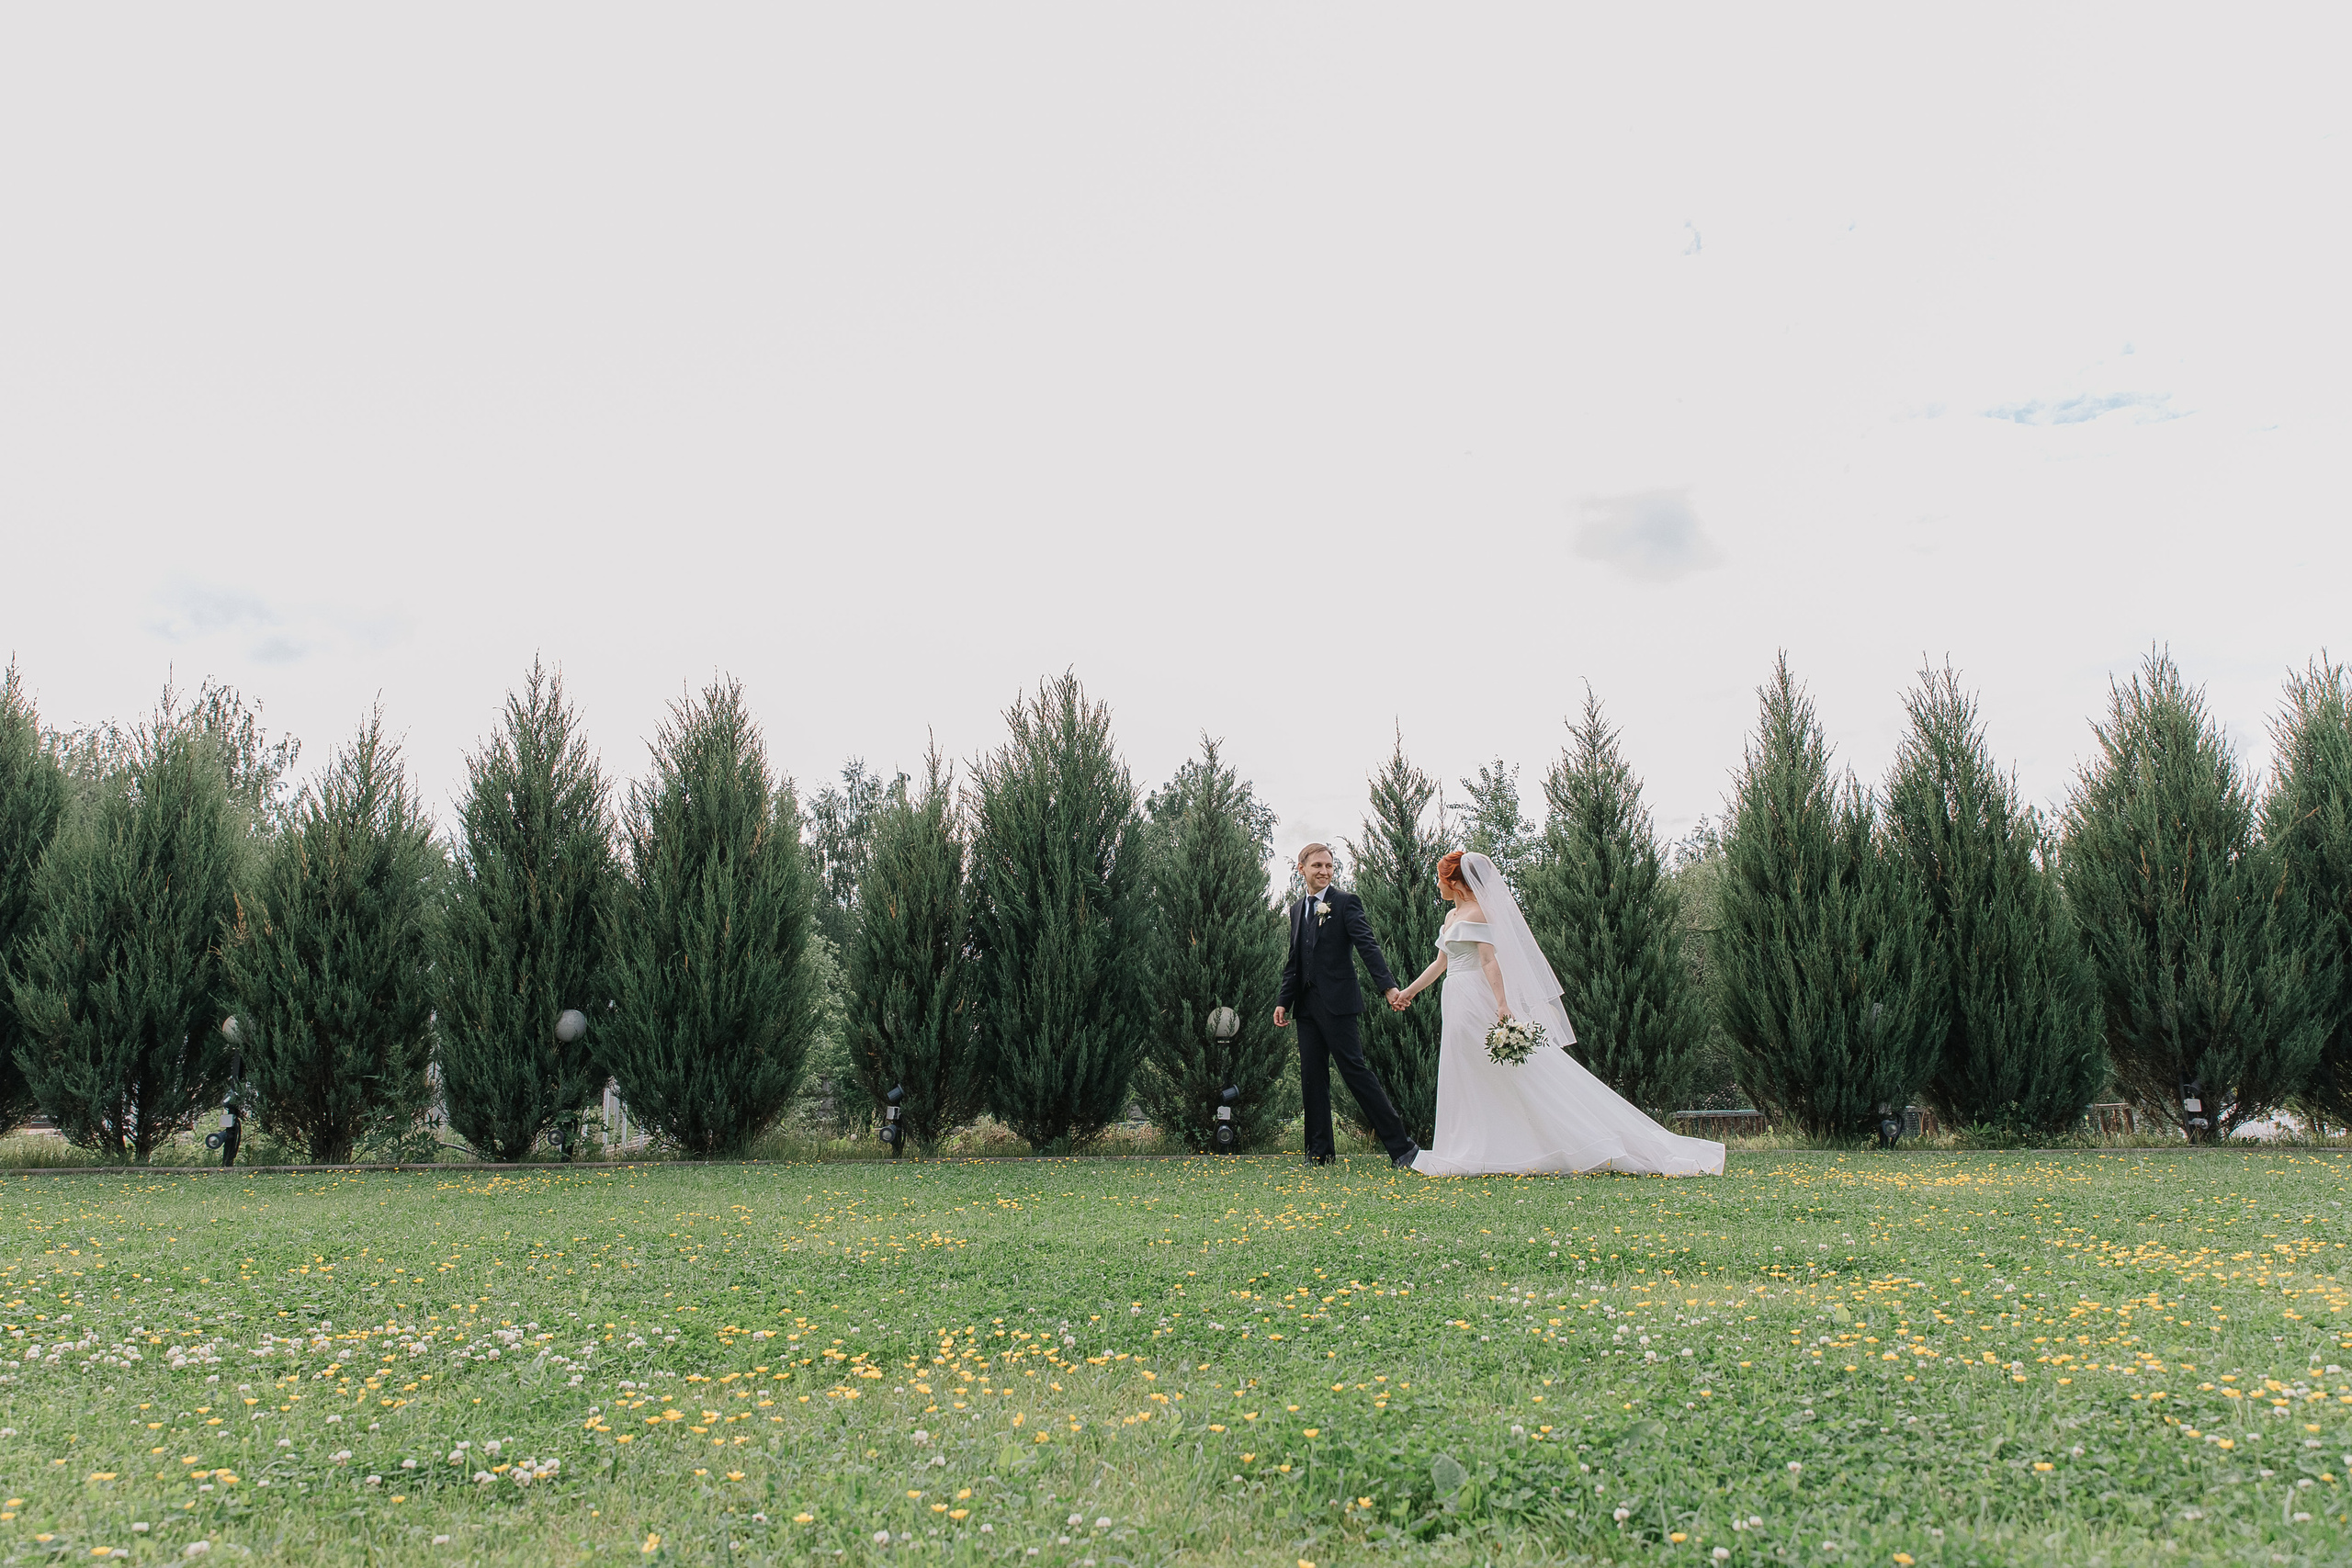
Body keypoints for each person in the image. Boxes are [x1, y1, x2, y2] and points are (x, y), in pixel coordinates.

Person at [1392, 849, 1723, 1177]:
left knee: (1513, 1070)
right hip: (1454, 997)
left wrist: (1502, 1004)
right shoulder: (1451, 917)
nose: (1437, 885)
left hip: (1475, 998)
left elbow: (1489, 961)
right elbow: (1440, 963)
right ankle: (1471, 1145)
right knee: (1465, 1067)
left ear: (1455, 882)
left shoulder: (1478, 913)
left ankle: (1568, 1139)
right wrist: (1409, 992)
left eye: (1440, 879)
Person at [1272, 843, 1422, 1168]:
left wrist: (1389, 988)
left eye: (1329, 866)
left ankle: (1403, 1148)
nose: (1324, 871)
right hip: (1307, 1008)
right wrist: (1284, 1001)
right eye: (1317, 866)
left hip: (1339, 1004)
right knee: (1312, 1077)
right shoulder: (1297, 908)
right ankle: (1320, 1153)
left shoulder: (1344, 903)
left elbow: (1367, 945)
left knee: (1356, 1072)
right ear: (1302, 869)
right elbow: (1294, 959)